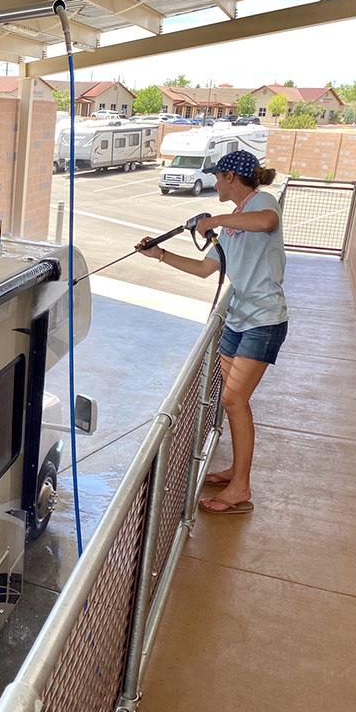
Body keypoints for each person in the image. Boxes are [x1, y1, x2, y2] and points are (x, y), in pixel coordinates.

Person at [136, 150, 288, 515]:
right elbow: (206, 268)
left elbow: (268, 221)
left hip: (263, 320)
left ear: (232, 178)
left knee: (234, 400)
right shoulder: (236, 221)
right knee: (233, 401)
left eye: (218, 178)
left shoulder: (261, 202)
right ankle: (237, 472)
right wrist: (160, 254)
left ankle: (241, 489)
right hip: (237, 320)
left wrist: (213, 221)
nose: (215, 184)